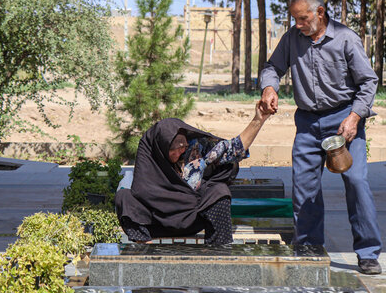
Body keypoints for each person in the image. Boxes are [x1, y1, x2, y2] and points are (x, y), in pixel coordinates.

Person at [259, 0, 382, 275]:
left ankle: (368, 253)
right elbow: (272, 67)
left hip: (344, 120)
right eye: (294, 19)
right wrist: (269, 87)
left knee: (356, 183)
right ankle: (309, 249)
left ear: (320, 12)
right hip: (307, 124)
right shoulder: (292, 39)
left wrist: (354, 118)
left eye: (303, 19)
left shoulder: (346, 39)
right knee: (304, 189)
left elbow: (368, 83)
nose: (298, 25)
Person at [115, 102, 271, 245]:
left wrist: (259, 119)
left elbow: (234, 149)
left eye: (182, 148)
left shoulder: (194, 150)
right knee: (124, 197)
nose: (180, 153)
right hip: (156, 222)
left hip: (191, 218)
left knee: (219, 192)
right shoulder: (150, 155)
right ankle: (144, 248)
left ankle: (219, 248)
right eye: (173, 151)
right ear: (161, 149)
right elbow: (141, 191)